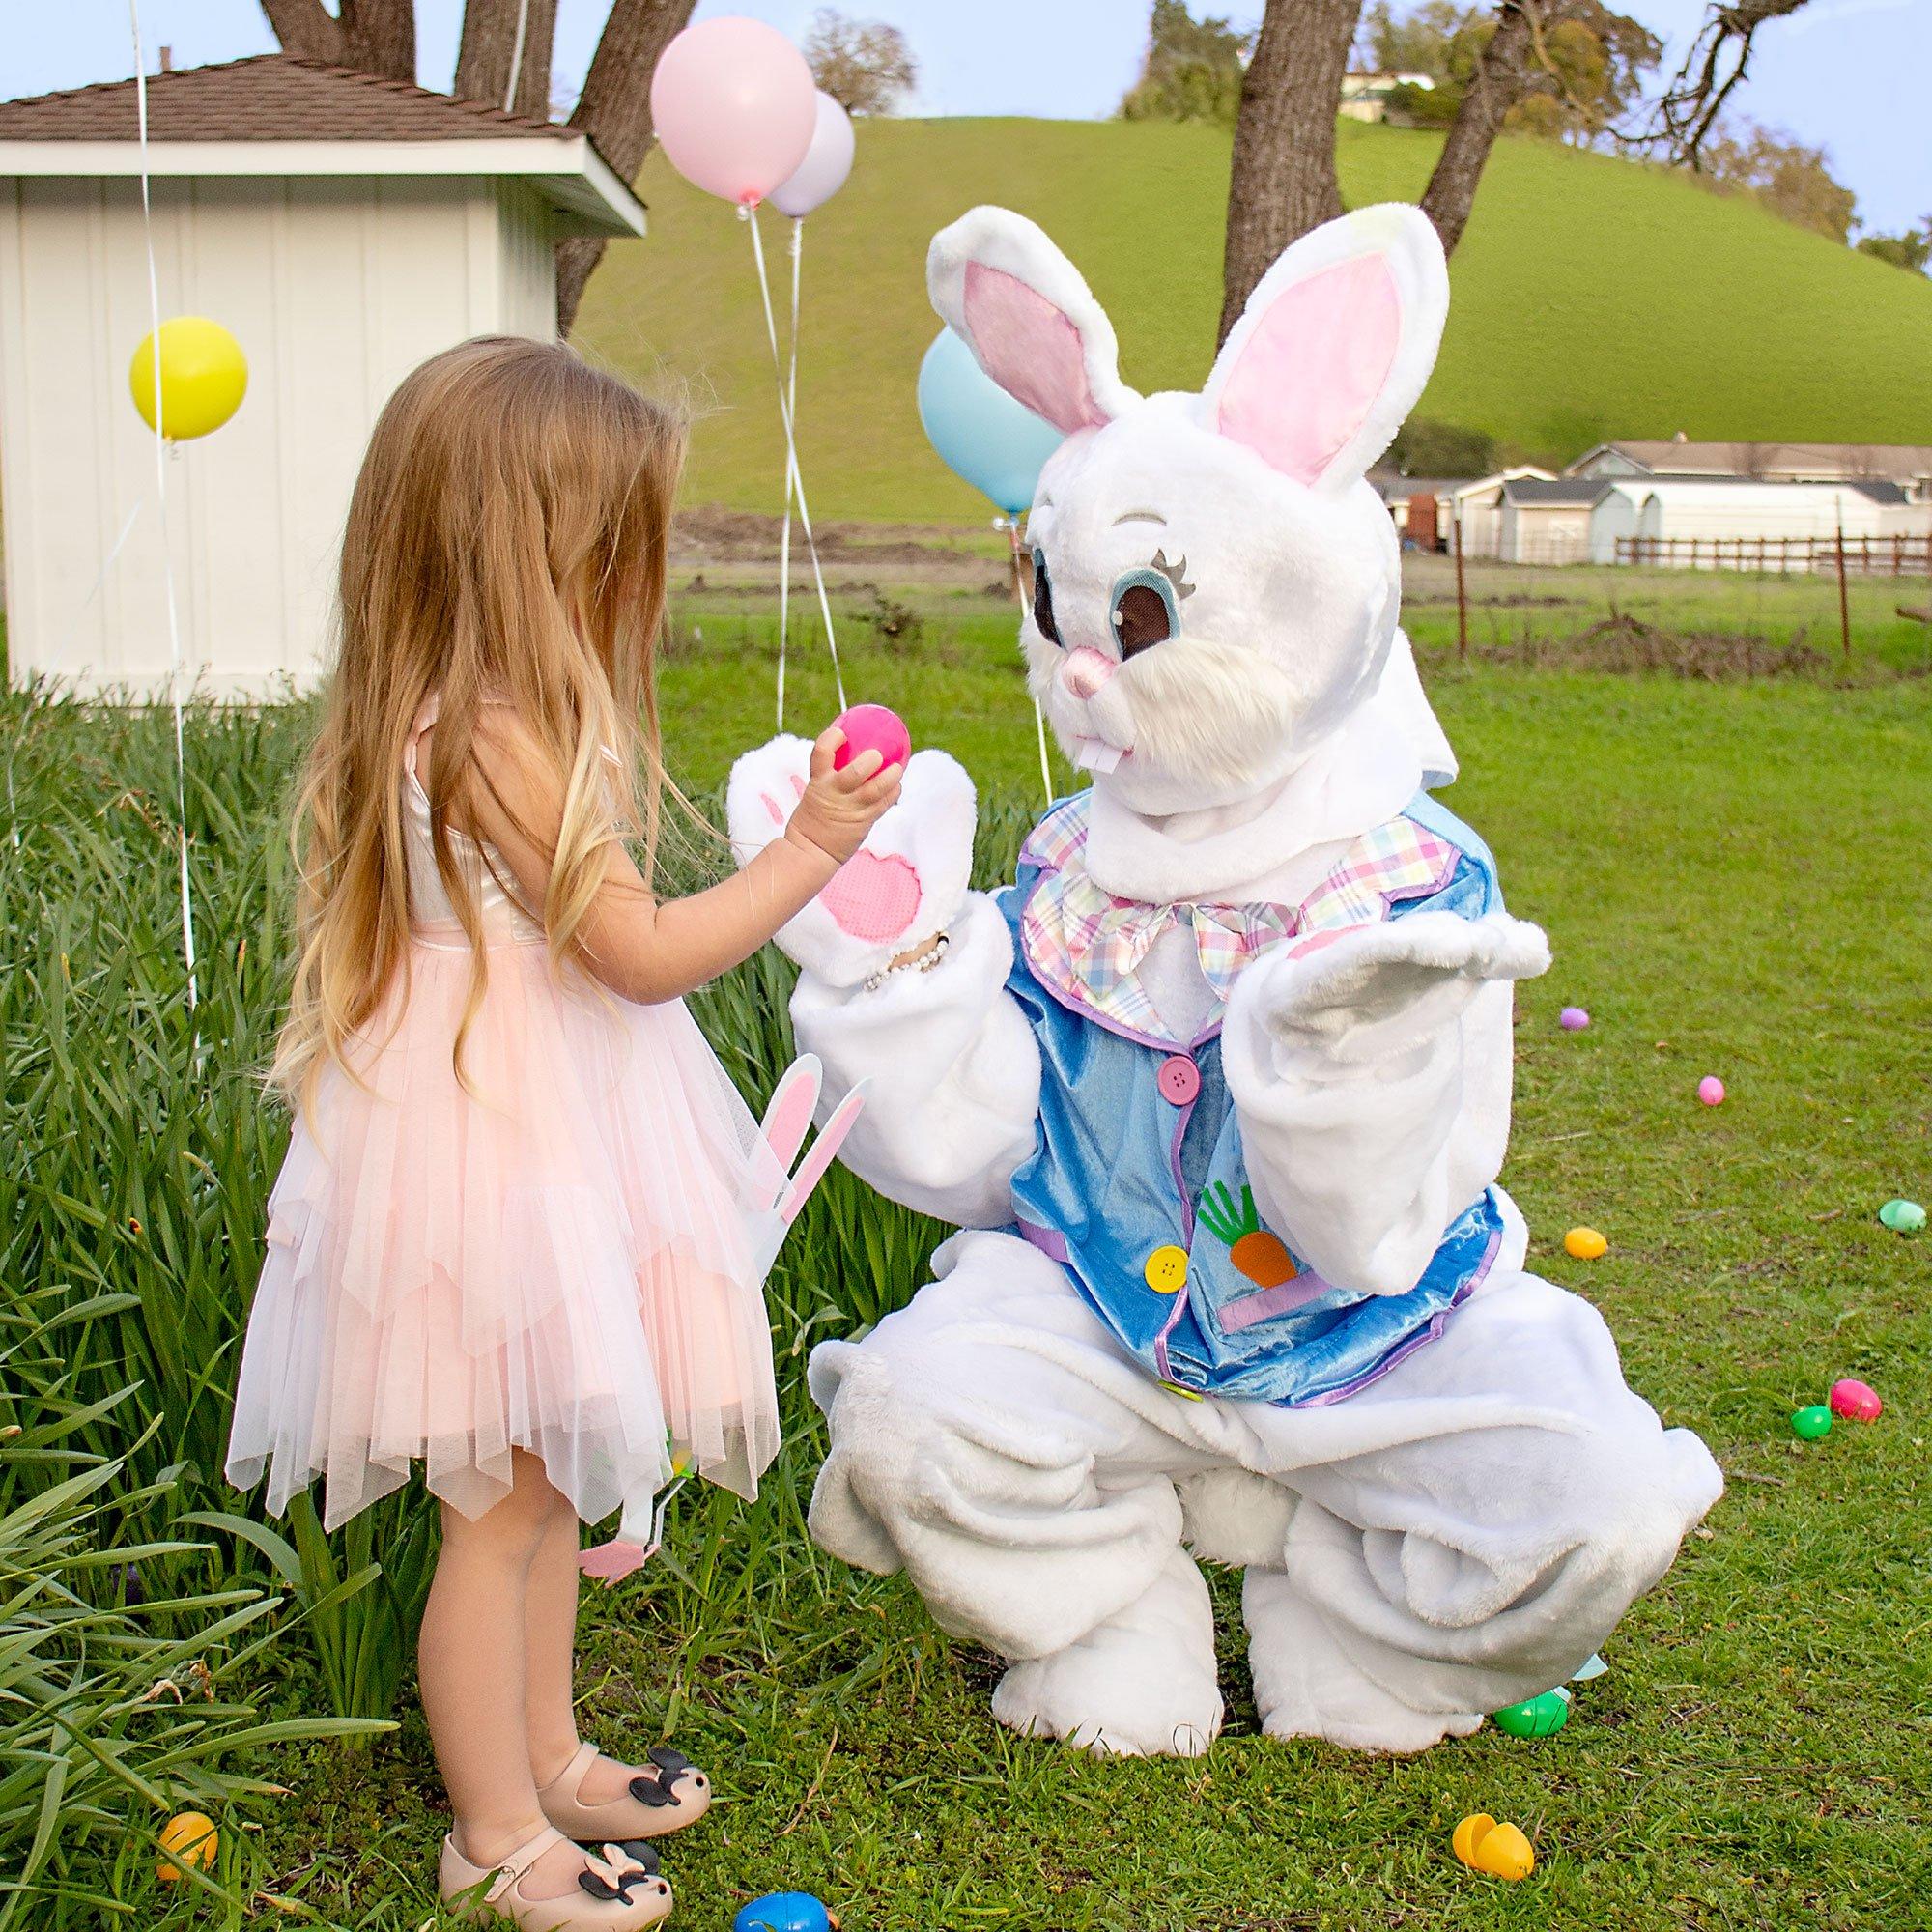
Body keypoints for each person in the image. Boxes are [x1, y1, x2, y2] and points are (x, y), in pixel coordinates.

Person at [225, 337, 900, 1930]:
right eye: (614, 542)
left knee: (533, 1490)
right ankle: (495, 1836)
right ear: (531, 550)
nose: (635, 578)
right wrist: (812, 849)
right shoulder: (489, 740)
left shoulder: (468, 712)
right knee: (500, 1509)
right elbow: (644, 954)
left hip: (520, 1120)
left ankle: (545, 1755)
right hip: (496, 1148)